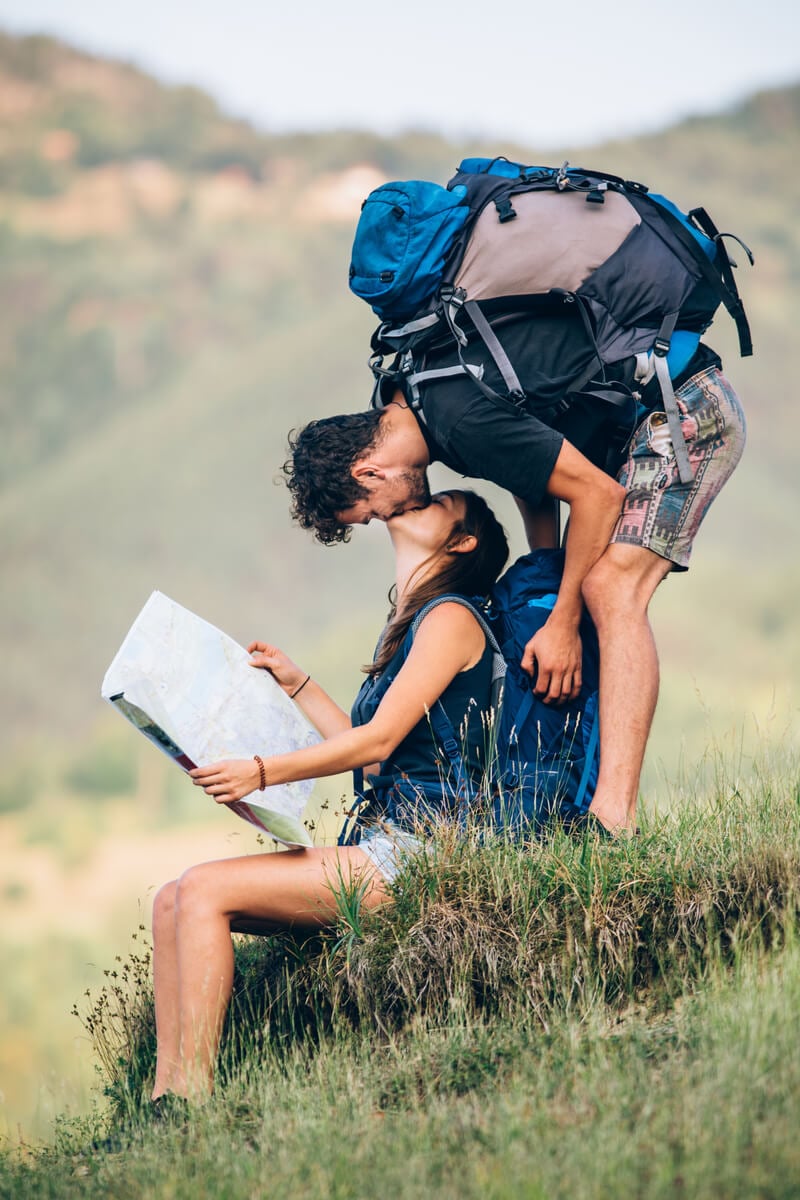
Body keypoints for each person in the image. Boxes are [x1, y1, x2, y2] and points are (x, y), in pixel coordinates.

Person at [283, 347, 746, 837]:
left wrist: (562, 622)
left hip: (682, 411)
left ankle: (613, 818)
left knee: (610, 588)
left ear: (367, 473)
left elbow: (597, 496)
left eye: (372, 511)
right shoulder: (418, 398)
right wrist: (543, 601)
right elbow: (533, 479)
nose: (389, 516)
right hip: (632, 429)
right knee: (580, 585)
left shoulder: (458, 422)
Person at [149, 489, 509, 1105]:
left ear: (463, 541)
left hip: (422, 852)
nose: (417, 500)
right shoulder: (417, 622)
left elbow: (381, 736)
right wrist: (300, 684)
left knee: (203, 889)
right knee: (168, 900)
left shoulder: (453, 618)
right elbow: (373, 756)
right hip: (386, 844)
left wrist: (262, 772)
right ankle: (163, 1096)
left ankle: (194, 1098)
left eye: (439, 502)